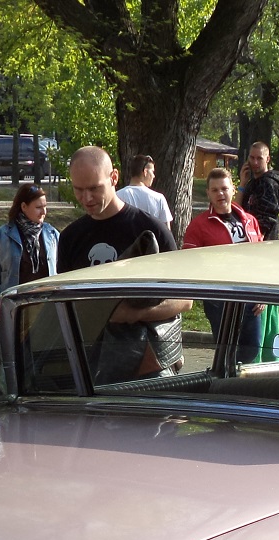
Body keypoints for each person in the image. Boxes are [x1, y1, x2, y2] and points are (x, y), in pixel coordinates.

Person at [59, 146, 190, 381]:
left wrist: (132, 313)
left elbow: (184, 300)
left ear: (114, 177)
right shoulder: (70, 238)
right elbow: (65, 304)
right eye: (78, 189)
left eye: (94, 188)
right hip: (87, 368)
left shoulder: (151, 230)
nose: (86, 198)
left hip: (146, 369)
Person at [182, 167, 264, 361]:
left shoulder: (249, 221)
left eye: (224, 188)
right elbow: (189, 263)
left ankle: (241, 386)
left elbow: (262, 260)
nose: (220, 194)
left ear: (233, 189)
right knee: (227, 353)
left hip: (250, 297)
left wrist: (262, 294)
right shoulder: (199, 226)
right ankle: (226, 386)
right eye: (215, 190)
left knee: (251, 349)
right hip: (220, 299)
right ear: (208, 193)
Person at [0, 182, 59, 386]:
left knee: (42, 364)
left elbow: (59, 274)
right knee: (12, 364)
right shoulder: (0, 236)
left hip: (45, 311)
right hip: (13, 313)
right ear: (23, 207)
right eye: (38, 207)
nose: (44, 212)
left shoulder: (52, 235)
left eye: (45, 206)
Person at [238, 141, 279, 242]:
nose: (255, 162)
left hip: (262, 242)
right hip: (247, 236)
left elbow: (267, 218)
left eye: (259, 158)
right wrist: (242, 184)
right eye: (252, 158)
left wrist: (257, 238)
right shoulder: (252, 183)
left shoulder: (269, 183)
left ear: (267, 159)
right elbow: (237, 209)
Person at [116, 154, 173, 228]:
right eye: (152, 171)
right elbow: (167, 231)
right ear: (145, 172)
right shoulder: (159, 198)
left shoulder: (117, 196)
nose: (154, 176)